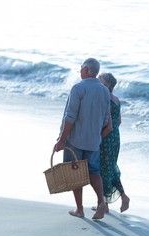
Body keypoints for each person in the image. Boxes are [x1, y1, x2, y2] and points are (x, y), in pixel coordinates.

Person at [54, 58, 111, 220]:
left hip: (75, 140)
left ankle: (80, 209)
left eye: (81, 69)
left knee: (74, 173)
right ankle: (101, 202)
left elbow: (70, 117)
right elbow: (106, 120)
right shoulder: (105, 91)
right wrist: (95, 135)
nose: (80, 71)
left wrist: (62, 140)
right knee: (94, 171)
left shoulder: (78, 88)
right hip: (94, 140)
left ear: (86, 70)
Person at [97, 72, 130, 213]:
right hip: (116, 136)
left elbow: (104, 122)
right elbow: (119, 121)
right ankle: (122, 196)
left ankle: (105, 204)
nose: (98, 83)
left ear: (107, 85)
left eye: (101, 81)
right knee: (110, 167)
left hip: (106, 136)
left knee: (103, 168)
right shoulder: (116, 100)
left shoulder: (104, 99)